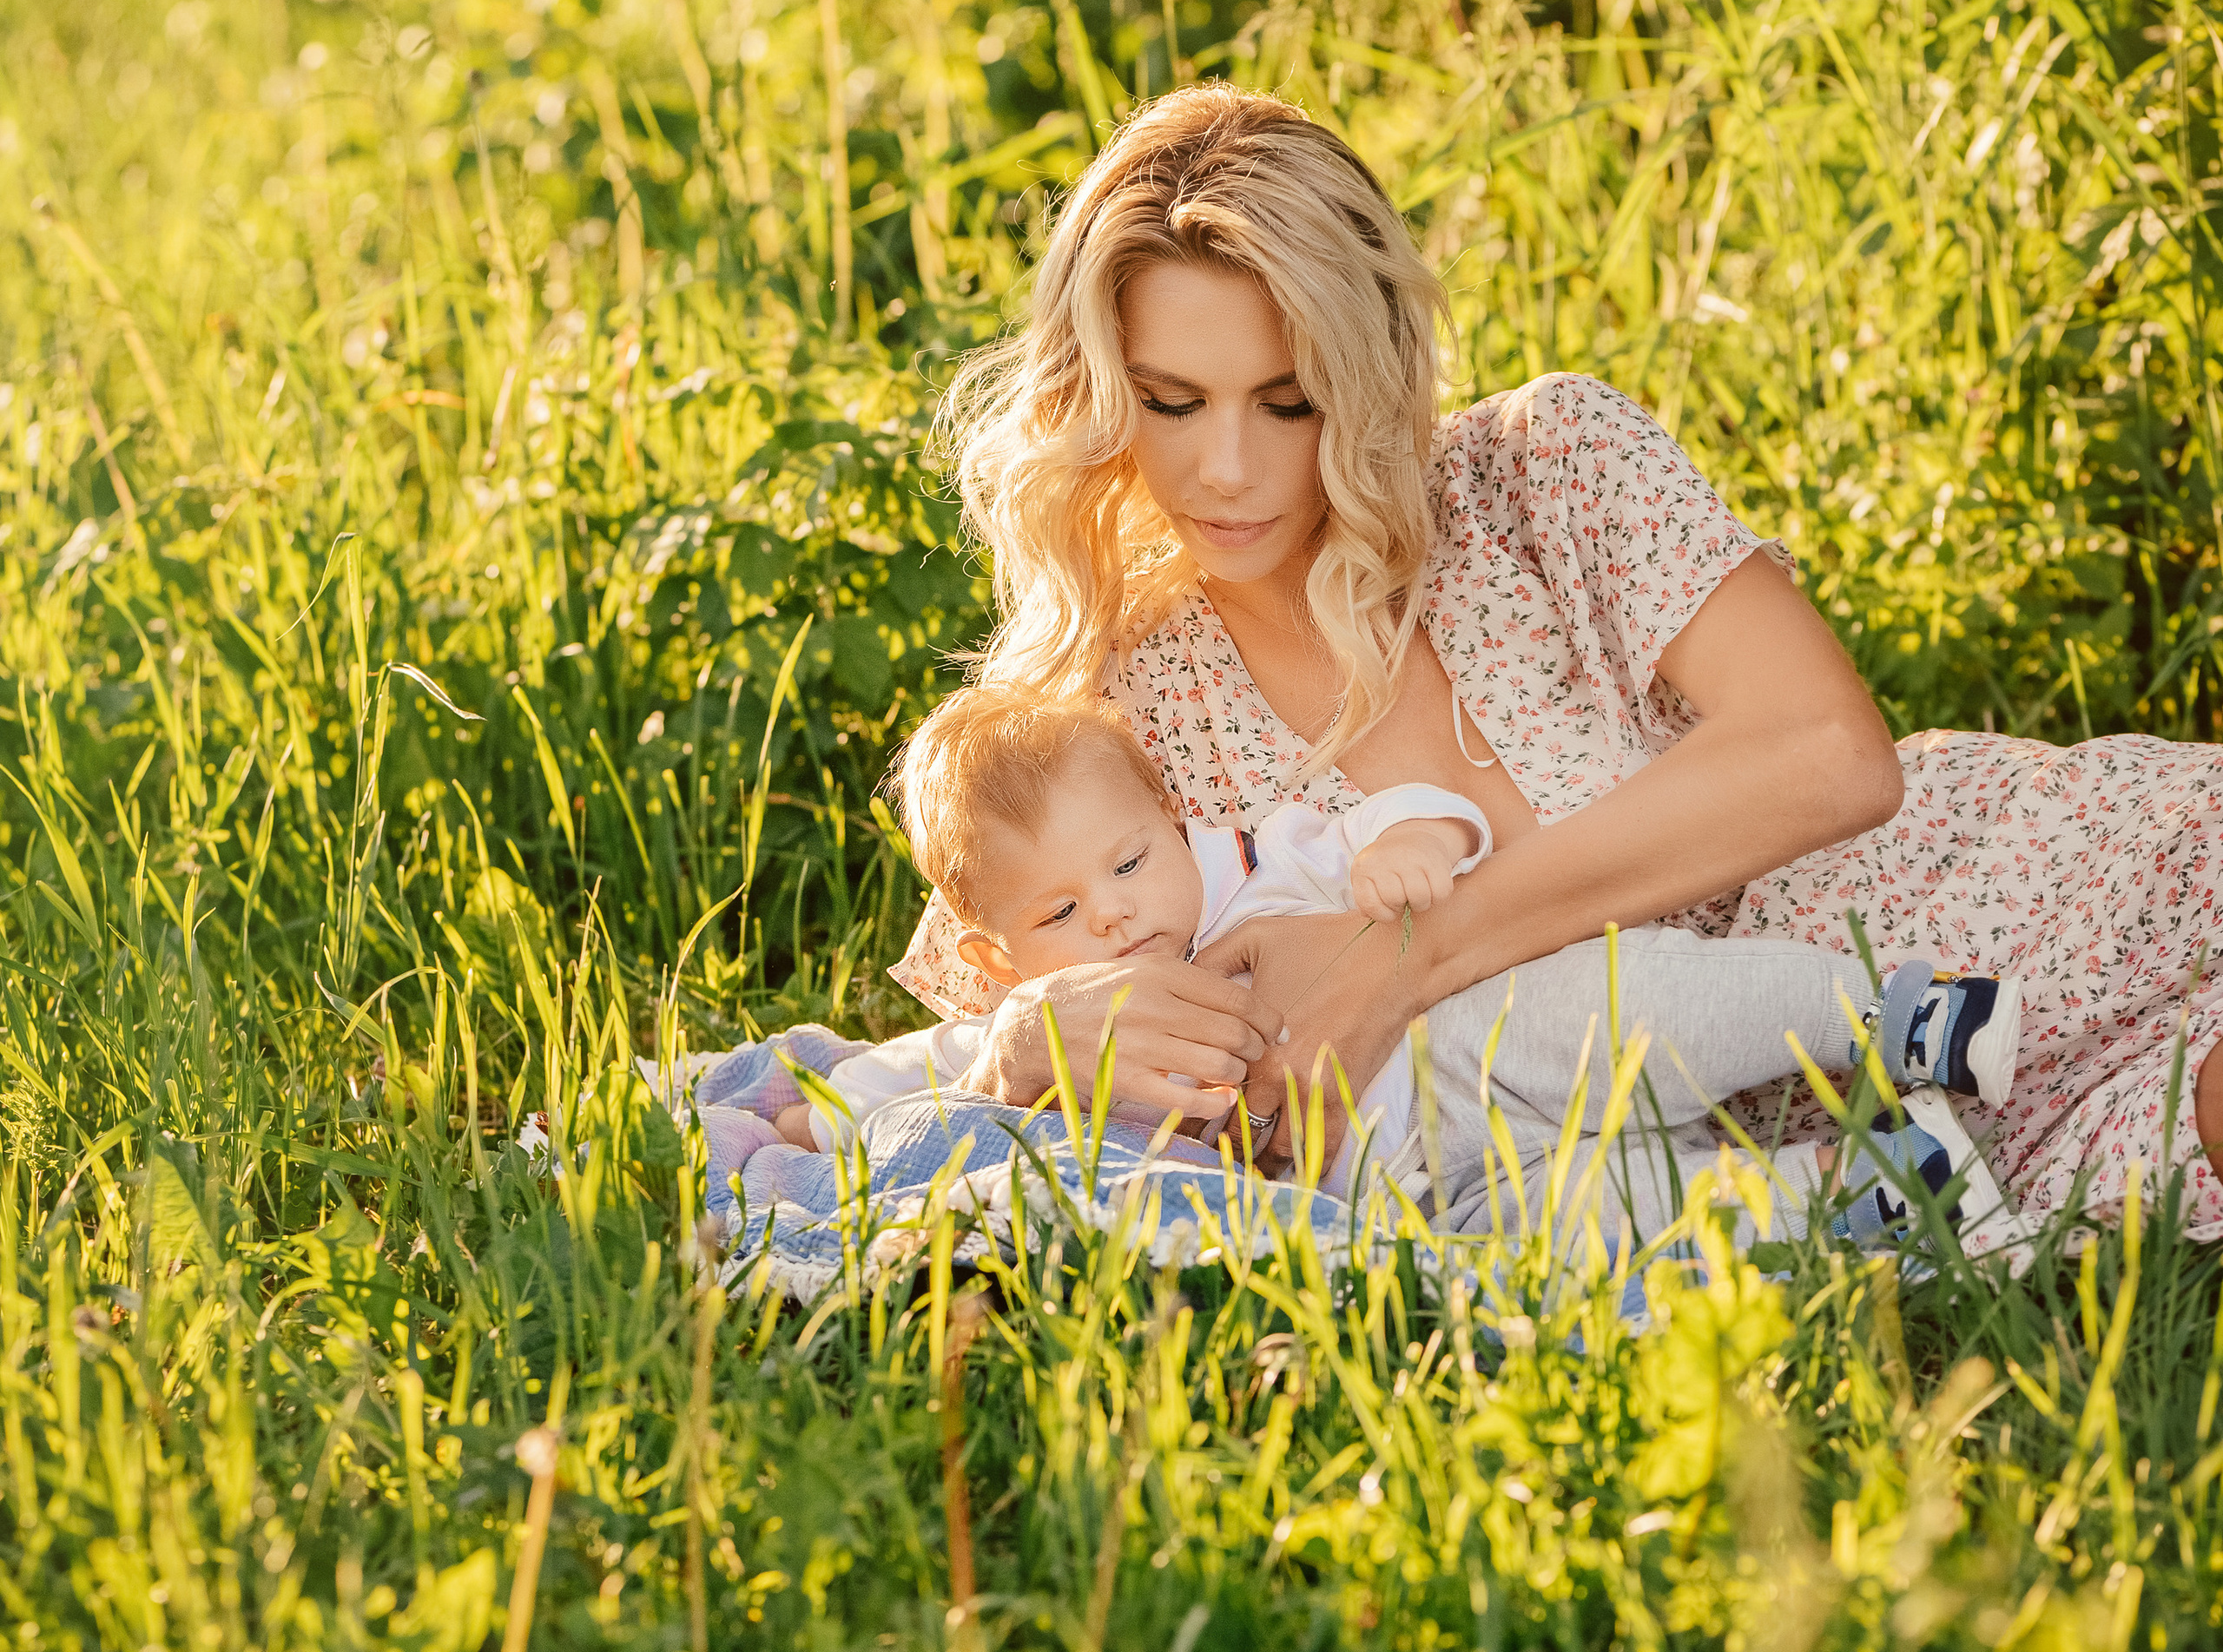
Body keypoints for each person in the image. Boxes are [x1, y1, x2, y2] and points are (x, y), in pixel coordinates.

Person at [885, 83, 2222, 1236]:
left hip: (1962, 918)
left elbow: (1831, 756)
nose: (1226, 468)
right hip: (1713, 1176)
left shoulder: (1544, 471)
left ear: (1369, 374)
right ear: (1105, 395)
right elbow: (994, 970)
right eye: (1172, 404)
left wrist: (1407, 957)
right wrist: (1025, 1049)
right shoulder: (1127, 689)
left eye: (1290, 402)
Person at [769, 684, 2020, 1247]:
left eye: (1132, 863)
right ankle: (1880, 1189)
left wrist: (1414, 843)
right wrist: (817, 1126)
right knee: (1600, 1230)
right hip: (1416, 1186)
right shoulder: (1049, 1036)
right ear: (995, 955)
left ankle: (1896, 1015)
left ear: (1172, 817)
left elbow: (1394, 823)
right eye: (1059, 908)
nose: (1113, 917)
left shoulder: (1256, 864)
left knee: (1646, 1005)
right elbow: (920, 1087)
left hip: (1474, 1029)